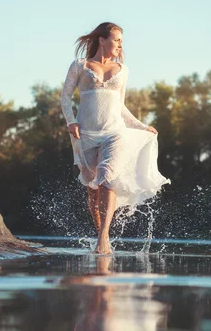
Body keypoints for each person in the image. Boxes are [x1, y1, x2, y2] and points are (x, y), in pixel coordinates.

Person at [60, 22, 170, 255]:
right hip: (86, 134)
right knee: (92, 186)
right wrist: (71, 122)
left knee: (107, 180)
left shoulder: (123, 70)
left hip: (115, 133)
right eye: (117, 39)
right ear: (102, 40)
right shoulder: (80, 65)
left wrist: (141, 126)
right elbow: (65, 96)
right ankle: (100, 232)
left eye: (121, 41)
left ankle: (103, 238)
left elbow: (120, 106)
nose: (120, 44)